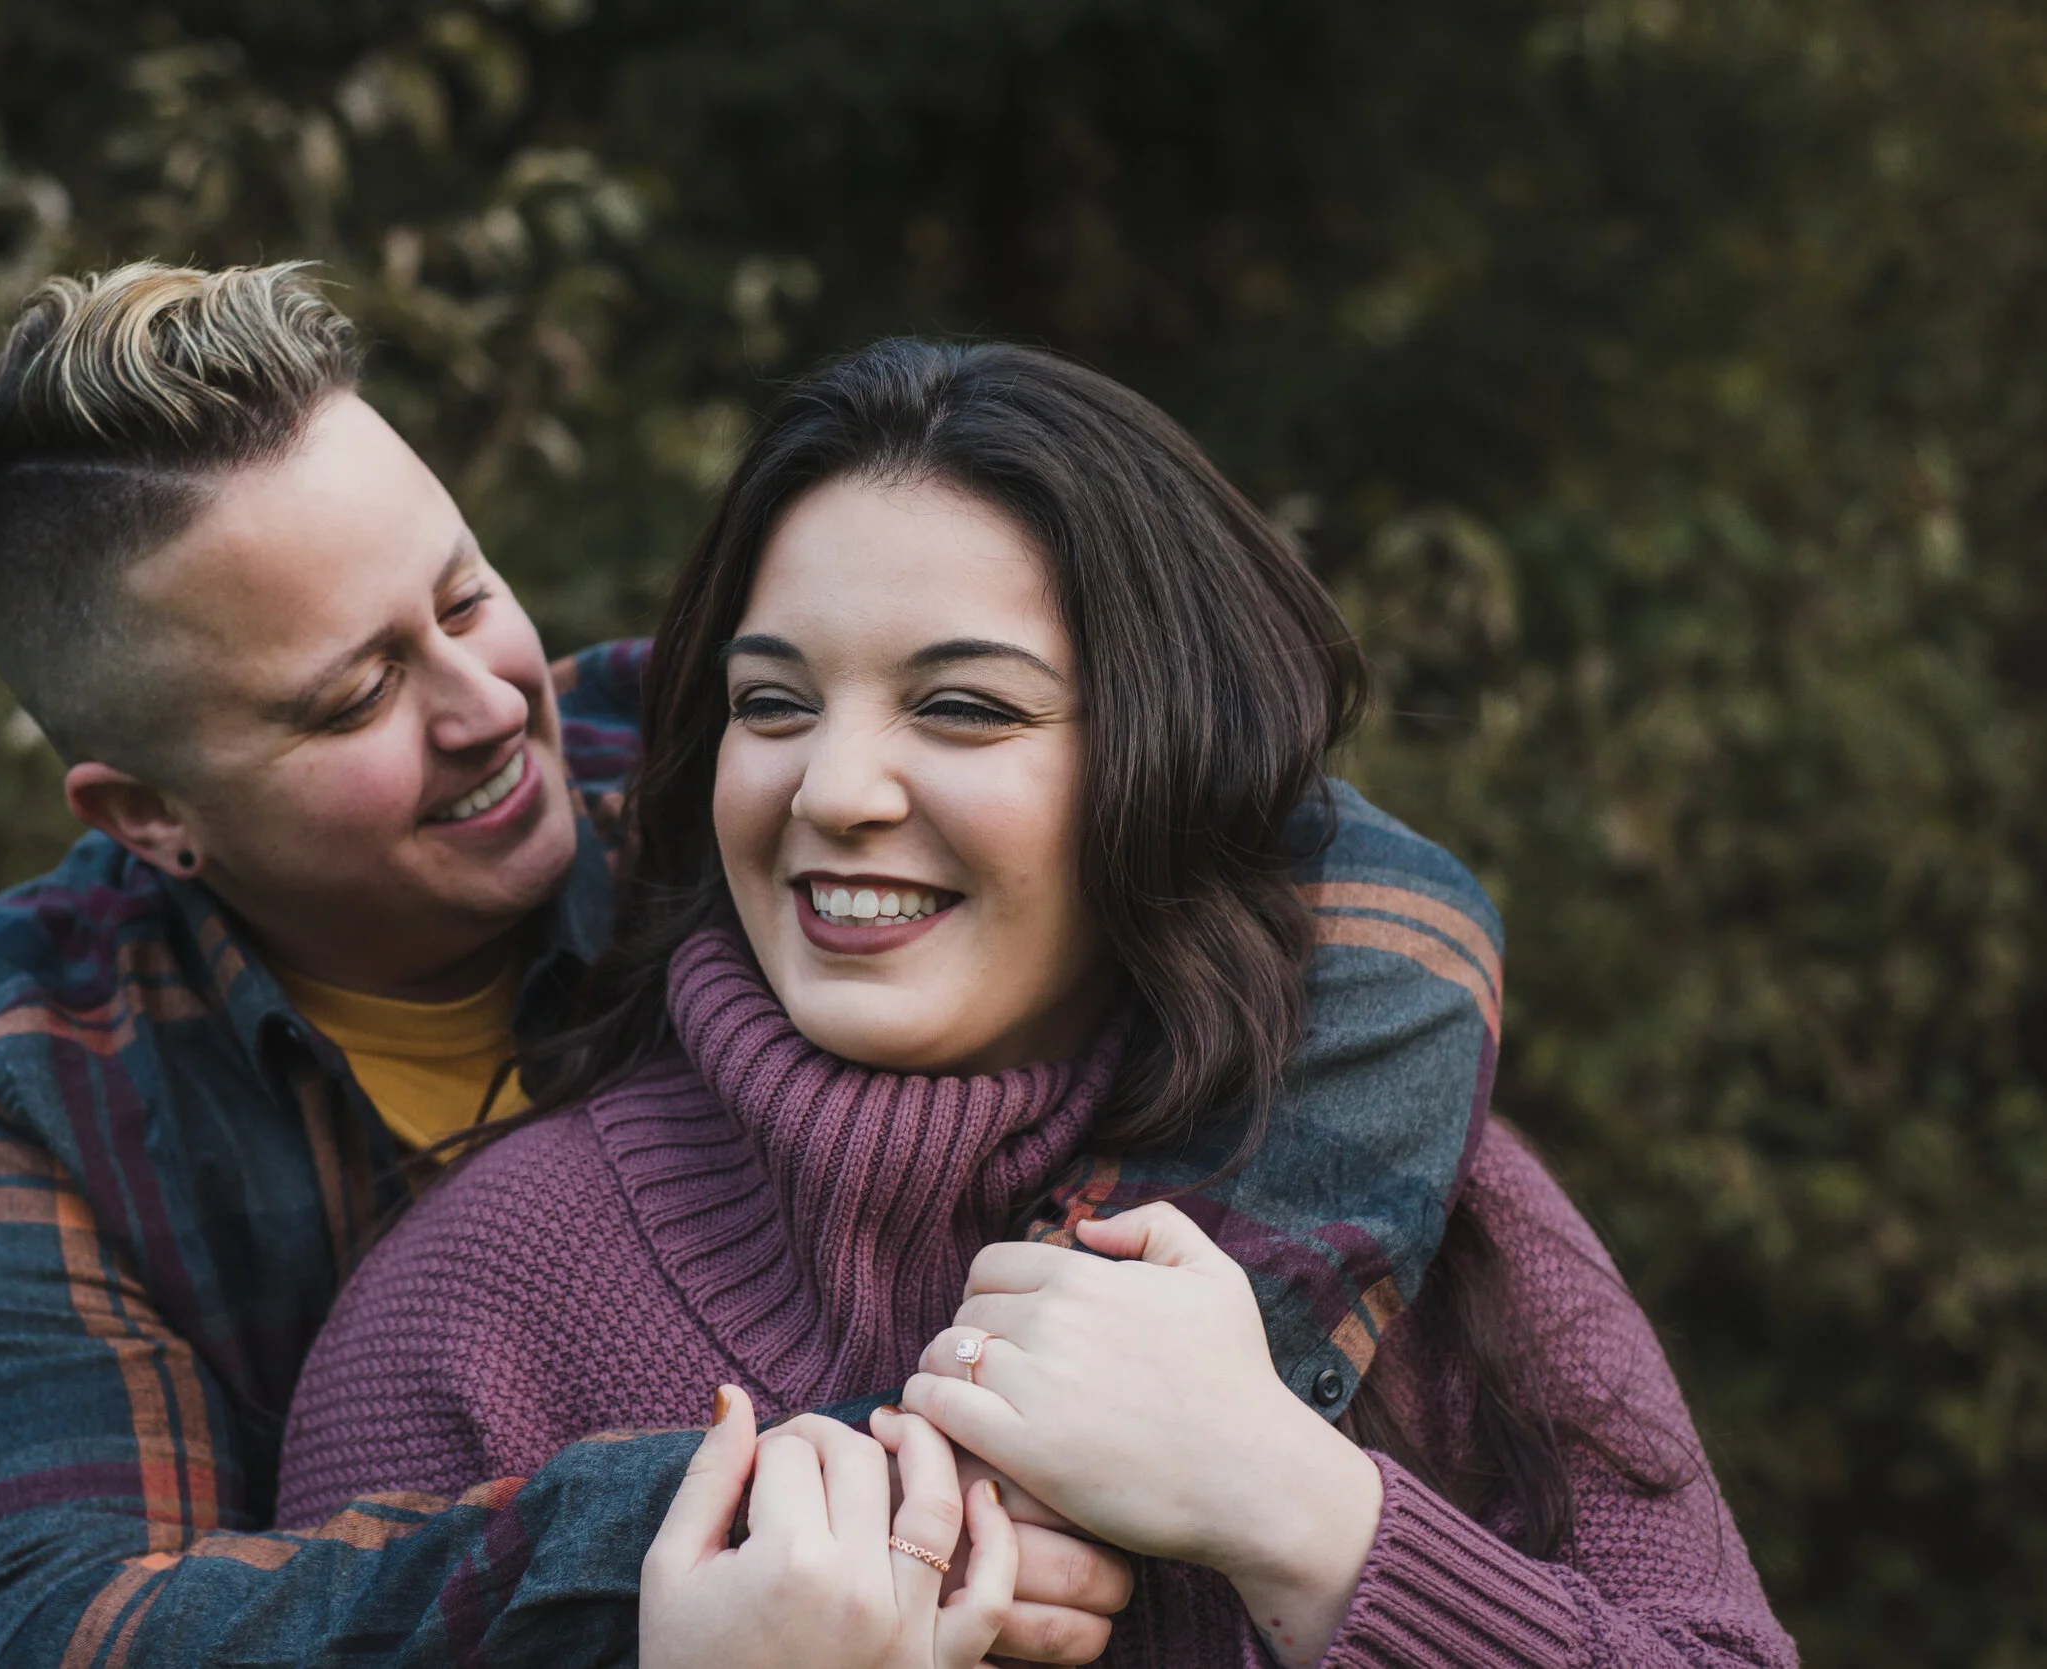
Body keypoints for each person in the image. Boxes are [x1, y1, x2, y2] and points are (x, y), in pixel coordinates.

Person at [0, 264, 1497, 1668]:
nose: (490, 704)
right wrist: (699, 1532)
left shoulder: (724, 752)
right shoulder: (18, 1088)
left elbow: (1378, 908)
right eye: (357, 696)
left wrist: (1126, 1392)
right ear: (149, 817)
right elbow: (51, 1628)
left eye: (464, 596)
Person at [275, 340, 1799, 1669]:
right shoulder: (466, 1320)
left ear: (1161, 764)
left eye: (964, 707)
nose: (837, 790)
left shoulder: (1423, 1214)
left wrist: (1298, 1509)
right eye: (773, 701)